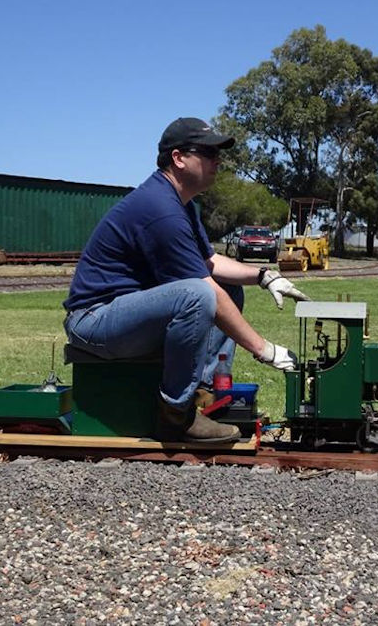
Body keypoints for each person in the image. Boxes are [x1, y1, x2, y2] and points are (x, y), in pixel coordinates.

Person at [62, 117, 309, 443]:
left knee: (227, 289)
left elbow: (208, 262)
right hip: (95, 320)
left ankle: (202, 395)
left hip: (121, 316)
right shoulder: (160, 209)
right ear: (178, 158)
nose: (217, 161)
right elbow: (204, 287)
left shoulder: (182, 204)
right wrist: (264, 349)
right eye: (208, 153)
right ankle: (176, 415)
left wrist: (264, 276)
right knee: (196, 295)